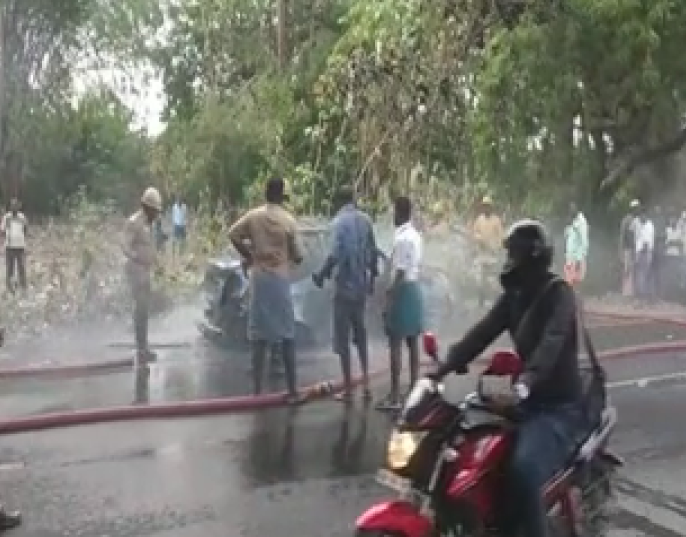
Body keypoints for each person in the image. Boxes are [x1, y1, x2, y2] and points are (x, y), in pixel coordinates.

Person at [429, 219, 586, 537]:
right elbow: (483, 332)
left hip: (557, 407)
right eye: (509, 255)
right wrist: (444, 365)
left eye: (515, 255)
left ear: (534, 258)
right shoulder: (515, 297)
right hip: (526, 402)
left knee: (524, 470)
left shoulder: (559, 295)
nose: (510, 263)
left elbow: (551, 344)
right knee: (467, 452)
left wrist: (525, 383)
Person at [228, 178, 305, 404]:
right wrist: (286, 257)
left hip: (259, 280)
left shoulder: (254, 216)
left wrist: (249, 255)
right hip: (280, 281)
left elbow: (233, 234)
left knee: (258, 336)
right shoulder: (288, 221)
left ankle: (257, 392)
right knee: (287, 334)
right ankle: (293, 391)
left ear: (266, 193)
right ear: (282, 195)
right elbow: (299, 256)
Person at [312, 186, 378, 402]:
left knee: (343, 339)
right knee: (360, 335)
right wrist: (372, 281)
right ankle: (366, 384)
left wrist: (321, 275)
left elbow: (335, 255)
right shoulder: (366, 220)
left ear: (339, 201)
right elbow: (374, 252)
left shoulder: (338, 223)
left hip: (343, 288)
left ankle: (349, 388)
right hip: (360, 288)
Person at [377, 196, 424, 411]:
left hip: (403, 290)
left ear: (399, 212)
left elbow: (400, 271)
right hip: (414, 288)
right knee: (413, 342)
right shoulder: (415, 235)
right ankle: (414, 388)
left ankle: (395, 395)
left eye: (393, 212)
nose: (392, 216)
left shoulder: (403, 238)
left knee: (395, 342)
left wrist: (388, 297)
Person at [123, 187, 162, 365]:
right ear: (146, 207)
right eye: (154, 210)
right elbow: (124, 245)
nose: (156, 214)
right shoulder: (134, 222)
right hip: (136, 270)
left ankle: (143, 346)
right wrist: (136, 258)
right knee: (141, 309)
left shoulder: (149, 224)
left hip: (146, 270)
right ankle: (141, 348)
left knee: (144, 310)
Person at [472, 196, 504, 306]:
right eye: (484, 206)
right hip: (482, 254)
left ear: (491, 207)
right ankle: (481, 300)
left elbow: (501, 237)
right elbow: (474, 233)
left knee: (492, 279)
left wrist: (495, 246)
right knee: (480, 279)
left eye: (488, 206)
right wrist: (478, 239)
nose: (486, 208)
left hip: (492, 255)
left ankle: (493, 301)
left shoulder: (496, 220)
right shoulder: (479, 219)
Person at [1, 198, 28, 292]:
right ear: (10, 206)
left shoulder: (22, 217)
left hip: (20, 246)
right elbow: (2, 230)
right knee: (10, 268)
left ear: (19, 206)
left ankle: (23, 287)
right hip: (9, 246)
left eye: (16, 205)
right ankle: (10, 288)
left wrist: (22, 240)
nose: (14, 207)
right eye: (13, 205)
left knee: (21, 268)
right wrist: (5, 240)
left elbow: (25, 229)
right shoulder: (6, 217)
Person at [563, 202, 589, 287]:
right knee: (569, 279)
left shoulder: (581, 221)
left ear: (577, 208)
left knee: (575, 280)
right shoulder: (573, 221)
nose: (571, 209)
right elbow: (567, 237)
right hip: (570, 255)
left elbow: (584, 239)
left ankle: (575, 297)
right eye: (570, 208)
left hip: (577, 256)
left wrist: (581, 257)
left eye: (573, 207)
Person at [619, 199, 640, 296]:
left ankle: (631, 292)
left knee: (633, 270)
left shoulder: (637, 220)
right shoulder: (627, 219)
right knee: (627, 269)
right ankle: (626, 292)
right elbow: (623, 235)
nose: (637, 210)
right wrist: (621, 249)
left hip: (634, 248)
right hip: (627, 248)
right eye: (636, 208)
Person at [634, 207, 655, 302]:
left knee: (645, 273)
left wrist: (643, 253)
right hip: (639, 251)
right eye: (640, 215)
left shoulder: (649, 225)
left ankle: (646, 295)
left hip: (646, 251)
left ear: (645, 216)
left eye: (642, 215)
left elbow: (647, 241)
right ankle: (642, 295)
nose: (641, 217)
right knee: (640, 273)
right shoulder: (639, 224)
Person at [650, 205, 667, 300]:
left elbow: (664, 235)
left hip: (659, 246)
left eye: (658, 209)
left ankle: (660, 293)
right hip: (654, 247)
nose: (657, 210)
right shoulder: (652, 220)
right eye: (656, 209)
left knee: (660, 270)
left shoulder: (662, 220)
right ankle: (654, 293)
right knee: (654, 270)